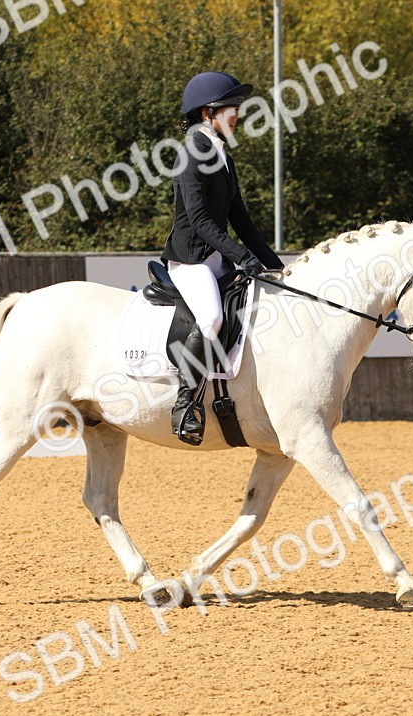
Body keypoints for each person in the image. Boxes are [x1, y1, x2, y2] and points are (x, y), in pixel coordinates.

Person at [161, 71, 284, 446]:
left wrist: (274, 264)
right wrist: (243, 259)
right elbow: (198, 221)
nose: (237, 115)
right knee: (212, 317)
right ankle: (185, 404)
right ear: (206, 113)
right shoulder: (191, 155)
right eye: (232, 108)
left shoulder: (221, 155)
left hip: (216, 259)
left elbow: (240, 219)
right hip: (190, 261)